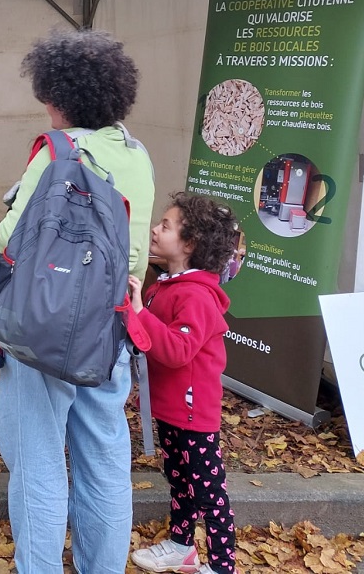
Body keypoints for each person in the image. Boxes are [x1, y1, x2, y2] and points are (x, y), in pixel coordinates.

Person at [0, 29, 155, 574]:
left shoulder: (57, 150)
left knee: (37, 457)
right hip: (113, 322)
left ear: (57, 96)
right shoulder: (136, 154)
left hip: (46, 324)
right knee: (105, 455)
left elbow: (9, 240)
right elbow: (135, 251)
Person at [126, 193, 238, 574]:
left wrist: (140, 313)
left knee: (209, 491)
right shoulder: (167, 284)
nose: (155, 230)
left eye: (166, 226)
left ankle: (223, 565)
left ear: (189, 244)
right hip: (172, 410)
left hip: (194, 414)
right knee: (179, 480)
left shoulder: (196, 296)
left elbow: (177, 349)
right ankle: (181, 544)